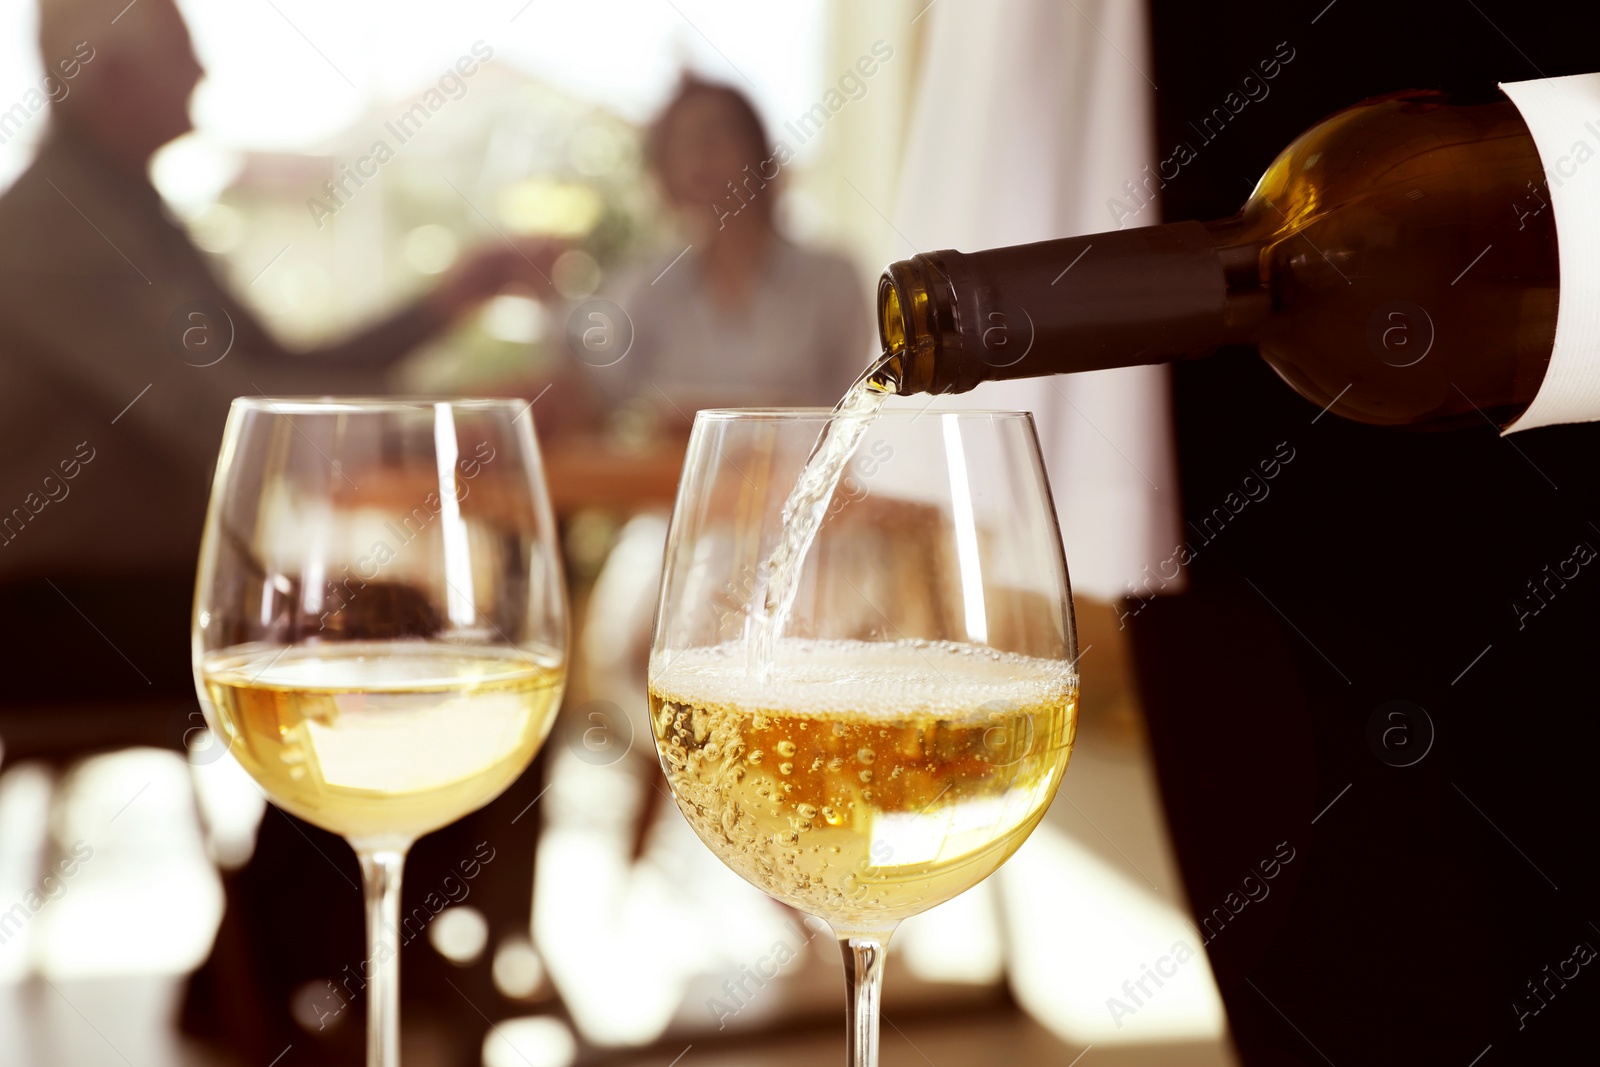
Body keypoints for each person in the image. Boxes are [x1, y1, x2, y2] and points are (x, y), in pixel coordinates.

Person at [0, 0, 544, 702]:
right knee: (434, 635)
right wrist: (447, 429)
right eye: (181, 51)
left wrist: (446, 303)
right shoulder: (49, 229)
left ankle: (344, 815)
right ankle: (346, 817)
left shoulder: (130, 208)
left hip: (137, 582)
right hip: (52, 607)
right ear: (113, 78)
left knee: (436, 627)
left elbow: (278, 365)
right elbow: (209, 408)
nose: (203, 69)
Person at [587, 75, 872, 414]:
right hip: (677, 470)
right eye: (678, 147)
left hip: (801, 467)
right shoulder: (647, 288)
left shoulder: (833, 279)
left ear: (757, 150)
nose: (696, 162)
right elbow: (596, 395)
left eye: (710, 139)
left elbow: (861, 409)